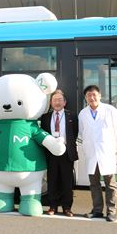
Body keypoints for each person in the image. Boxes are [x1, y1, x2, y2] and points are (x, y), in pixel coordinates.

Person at [79, 85, 117, 222]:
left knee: (110, 184)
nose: (91, 98)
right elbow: (82, 132)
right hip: (92, 153)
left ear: (99, 95)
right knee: (94, 184)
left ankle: (111, 211)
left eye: (94, 94)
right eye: (88, 96)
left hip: (107, 152)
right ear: (86, 98)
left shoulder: (110, 110)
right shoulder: (83, 113)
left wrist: (115, 147)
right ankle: (97, 210)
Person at [39, 89, 78, 217]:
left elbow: (74, 133)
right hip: (51, 153)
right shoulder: (45, 117)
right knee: (53, 179)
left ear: (65, 102)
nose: (57, 102)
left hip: (67, 152)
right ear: (51, 103)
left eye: (60, 100)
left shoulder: (72, 116)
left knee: (67, 181)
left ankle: (67, 207)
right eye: (55, 100)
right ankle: (52, 206)